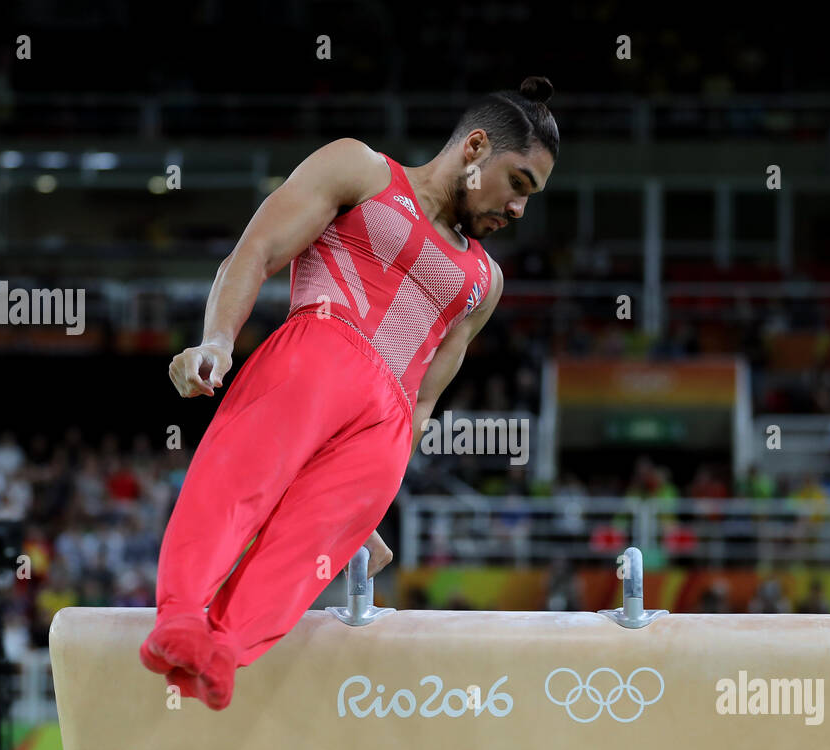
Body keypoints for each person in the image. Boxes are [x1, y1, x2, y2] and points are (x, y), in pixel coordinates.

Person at [140, 77, 558, 710]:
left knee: (301, 554)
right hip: (322, 347)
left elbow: (422, 404)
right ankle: (178, 619)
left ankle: (223, 650)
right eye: (519, 184)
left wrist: (368, 509)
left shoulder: (486, 281)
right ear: (475, 147)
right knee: (238, 486)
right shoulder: (361, 170)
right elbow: (255, 251)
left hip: (386, 426)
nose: (520, 210)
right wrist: (217, 344)